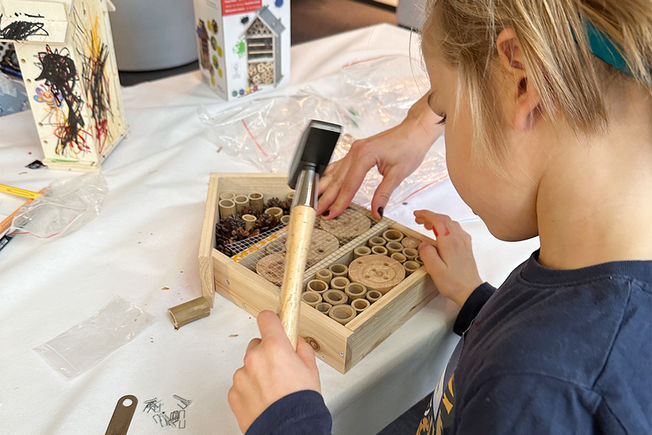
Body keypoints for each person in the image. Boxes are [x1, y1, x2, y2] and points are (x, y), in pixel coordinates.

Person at [228, 0, 652, 433]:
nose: (440, 129)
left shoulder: (536, 388)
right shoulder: (587, 276)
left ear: (522, 83)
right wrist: (481, 306)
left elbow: (537, 383)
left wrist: (286, 421)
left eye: (444, 115)